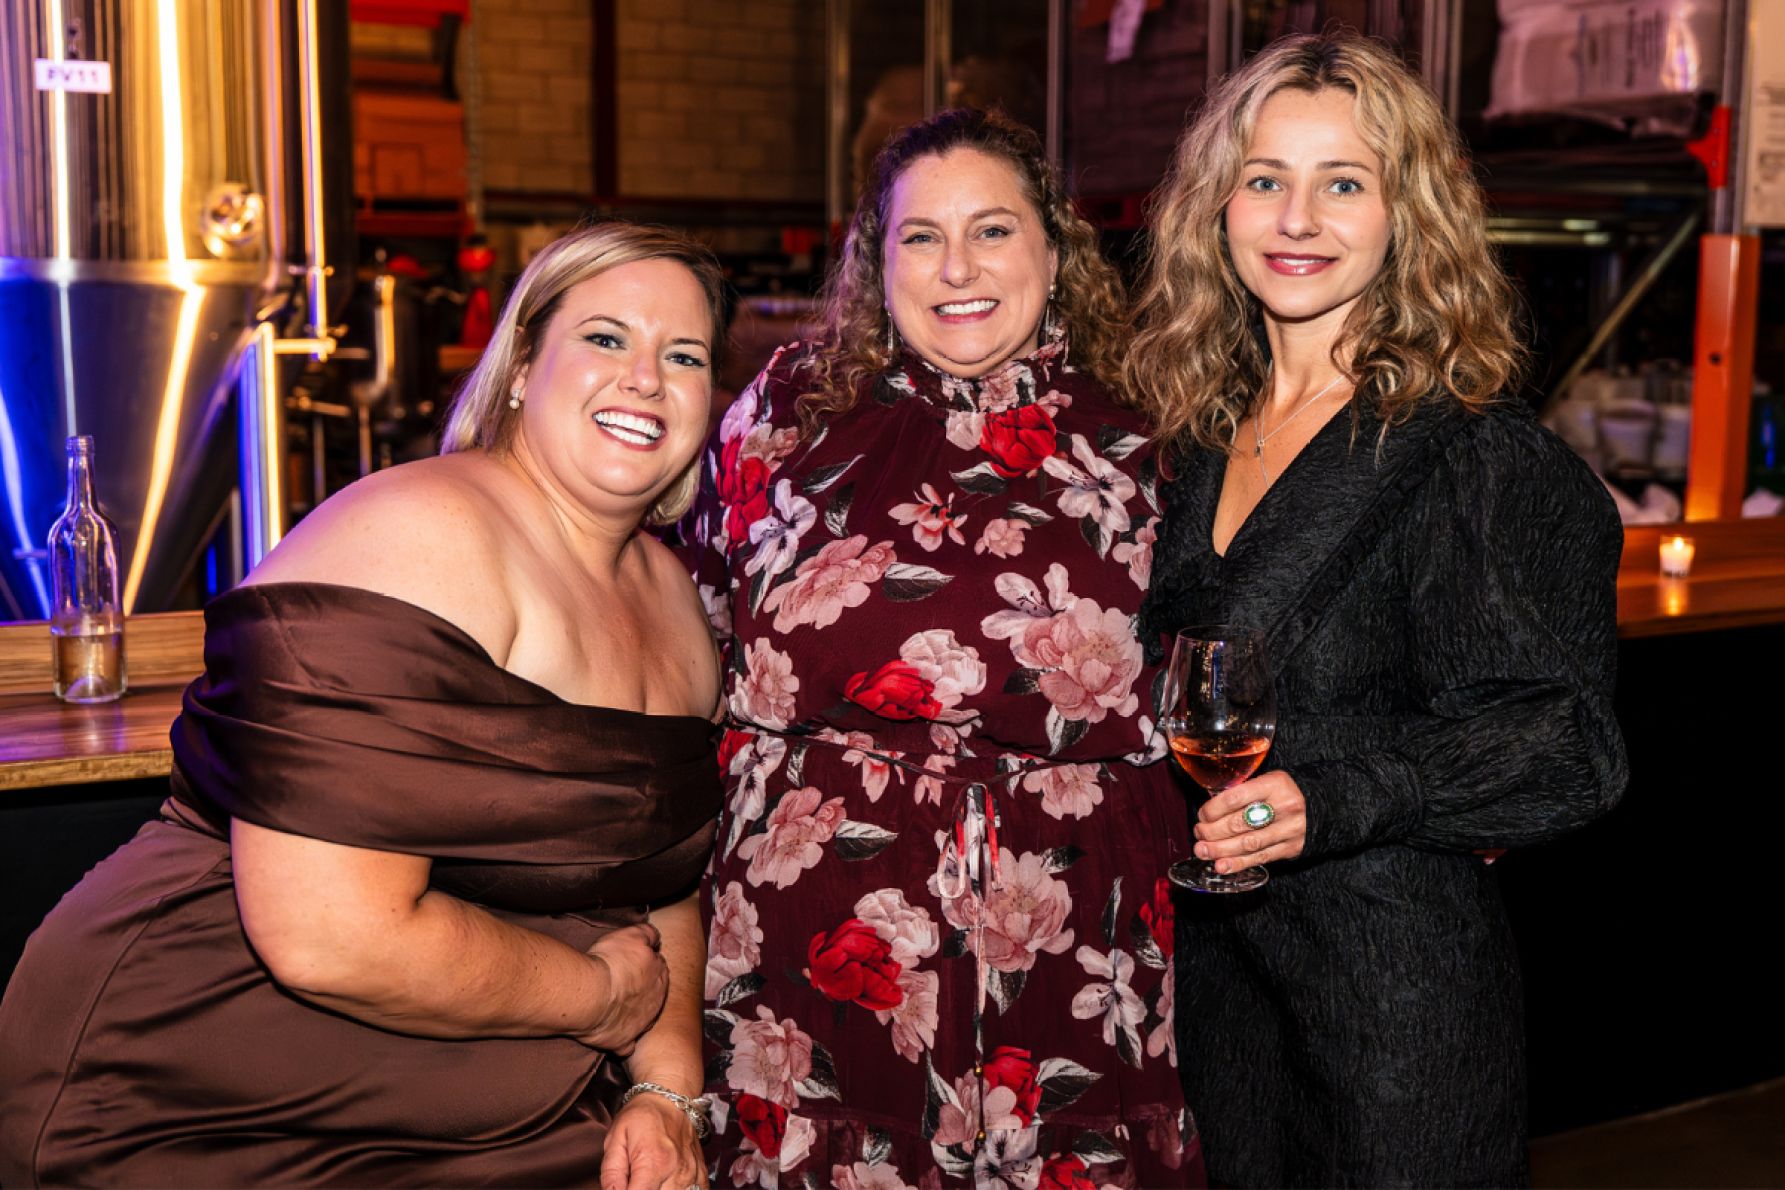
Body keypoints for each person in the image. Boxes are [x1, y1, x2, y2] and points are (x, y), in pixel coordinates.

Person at [0, 223, 726, 1188]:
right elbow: (326, 937)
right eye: (604, 338)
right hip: (195, 1080)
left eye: (683, 356)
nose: (645, 377)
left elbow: (663, 872)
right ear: (519, 368)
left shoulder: (674, 602)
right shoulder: (422, 533)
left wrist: (665, 1092)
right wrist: (598, 998)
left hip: (493, 1092)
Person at [1128, 34, 1629, 1186]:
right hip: (1219, 999)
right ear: (1217, 207)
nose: (1298, 217)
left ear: (1409, 214)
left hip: (1393, 1012)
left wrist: (1337, 791)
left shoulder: (1475, 453)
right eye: (1266, 179)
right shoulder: (1202, 435)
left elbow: (1568, 742)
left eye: (1343, 182)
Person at [685, 108, 1203, 1187]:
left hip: (1074, 926)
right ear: (880, 264)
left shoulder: (1153, 429)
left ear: (1054, 250)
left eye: (994, 230)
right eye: (921, 236)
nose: (957, 266)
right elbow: (677, 610)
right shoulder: (785, 412)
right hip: (816, 933)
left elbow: (1241, 652)